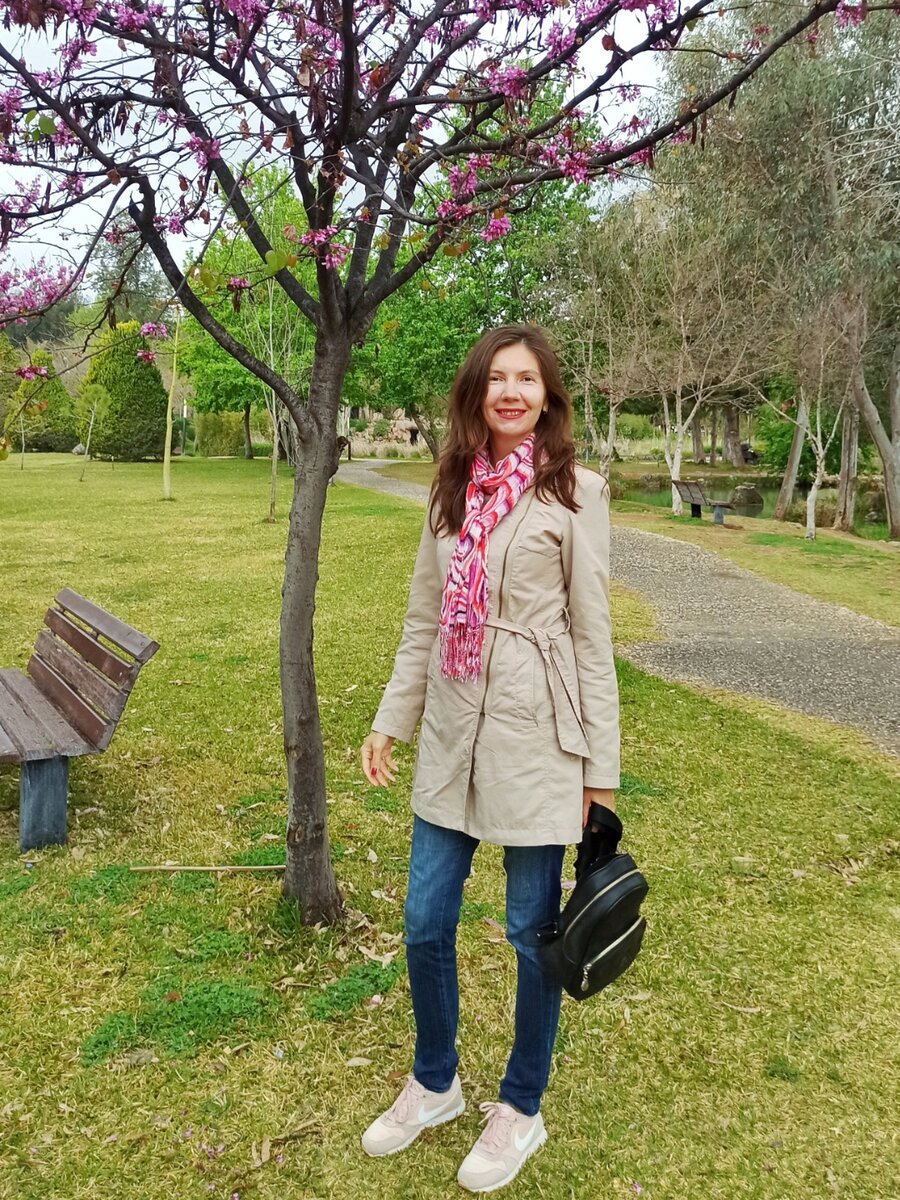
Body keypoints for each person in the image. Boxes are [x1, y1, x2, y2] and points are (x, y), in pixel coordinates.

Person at [359, 325, 620, 1193]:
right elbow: (423, 619)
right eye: (497, 378)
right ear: (476, 393)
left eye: (528, 379)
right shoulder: (449, 488)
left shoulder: (577, 491)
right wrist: (391, 721)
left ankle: (521, 1106)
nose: (512, 392)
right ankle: (435, 1082)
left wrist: (599, 777)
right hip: (449, 728)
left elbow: (593, 641)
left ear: (548, 396)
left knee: (529, 932)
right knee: (424, 917)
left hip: (537, 738)